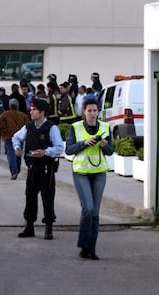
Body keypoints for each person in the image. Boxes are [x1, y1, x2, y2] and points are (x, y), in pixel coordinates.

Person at [65, 98, 114, 260]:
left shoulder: (106, 127)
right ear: (84, 112)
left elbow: (110, 151)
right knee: (88, 208)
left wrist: (105, 145)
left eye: (95, 110)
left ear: (98, 112)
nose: (92, 114)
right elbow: (69, 149)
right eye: (89, 111)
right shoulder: (75, 127)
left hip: (99, 172)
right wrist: (84, 143)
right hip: (81, 172)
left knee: (95, 213)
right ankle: (84, 245)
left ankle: (91, 249)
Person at [12, 98, 64, 240]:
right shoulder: (28, 127)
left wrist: (46, 152)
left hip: (46, 168)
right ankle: (29, 226)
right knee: (30, 197)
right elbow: (16, 138)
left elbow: (60, 147)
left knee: (47, 198)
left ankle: (48, 227)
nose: (31, 112)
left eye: (34, 110)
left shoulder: (51, 128)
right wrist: (17, 148)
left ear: (41, 112)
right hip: (32, 167)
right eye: (31, 109)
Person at [0, 99, 29, 180]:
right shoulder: (23, 115)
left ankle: (14, 172)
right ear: (18, 106)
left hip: (8, 136)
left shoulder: (5, 114)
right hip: (19, 138)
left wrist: (3, 130)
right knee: (18, 154)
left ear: (9, 106)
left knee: (11, 154)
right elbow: (27, 125)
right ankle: (17, 169)